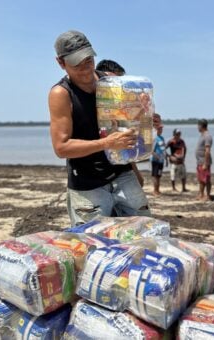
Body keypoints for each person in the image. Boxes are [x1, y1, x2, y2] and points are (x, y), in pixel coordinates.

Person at [48, 30, 151, 226]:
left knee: (145, 234)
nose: (86, 69)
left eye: (88, 61)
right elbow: (61, 148)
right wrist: (106, 143)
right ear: (61, 63)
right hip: (88, 186)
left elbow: (128, 125)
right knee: (92, 245)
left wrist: (146, 118)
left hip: (123, 175)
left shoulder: (111, 83)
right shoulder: (61, 94)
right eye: (77, 64)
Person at [95, 59, 144, 188]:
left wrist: (135, 172)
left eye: (120, 83)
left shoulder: (121, 110)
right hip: (95, 179)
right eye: (112, 82)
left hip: (121, 172)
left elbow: (125, 142)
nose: (116, 87)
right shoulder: (92, 104)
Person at [196, 119, 213, 201]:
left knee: (206, 179)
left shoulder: (207, 136)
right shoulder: (202, 135)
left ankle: (208, 196)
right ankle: (201, 194)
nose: (197, 127)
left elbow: (207, 151)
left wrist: (205, 163)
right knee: (201, 179)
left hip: (204, 161)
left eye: (198, 125)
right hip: (200, 161)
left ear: (201, 126)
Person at [151, 124, 166, 196]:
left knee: (159, 175)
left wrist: (166, 157)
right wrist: (155, 155)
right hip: (155, 161)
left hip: (161, 161)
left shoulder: (162, 138)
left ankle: (158, 190)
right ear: (156, 130)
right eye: (159, 129)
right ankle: (154, 190)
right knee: (155, 175)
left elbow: (163, 149)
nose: (161, 130)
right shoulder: (155, 138)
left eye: (161, 129)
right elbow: (151, 150)